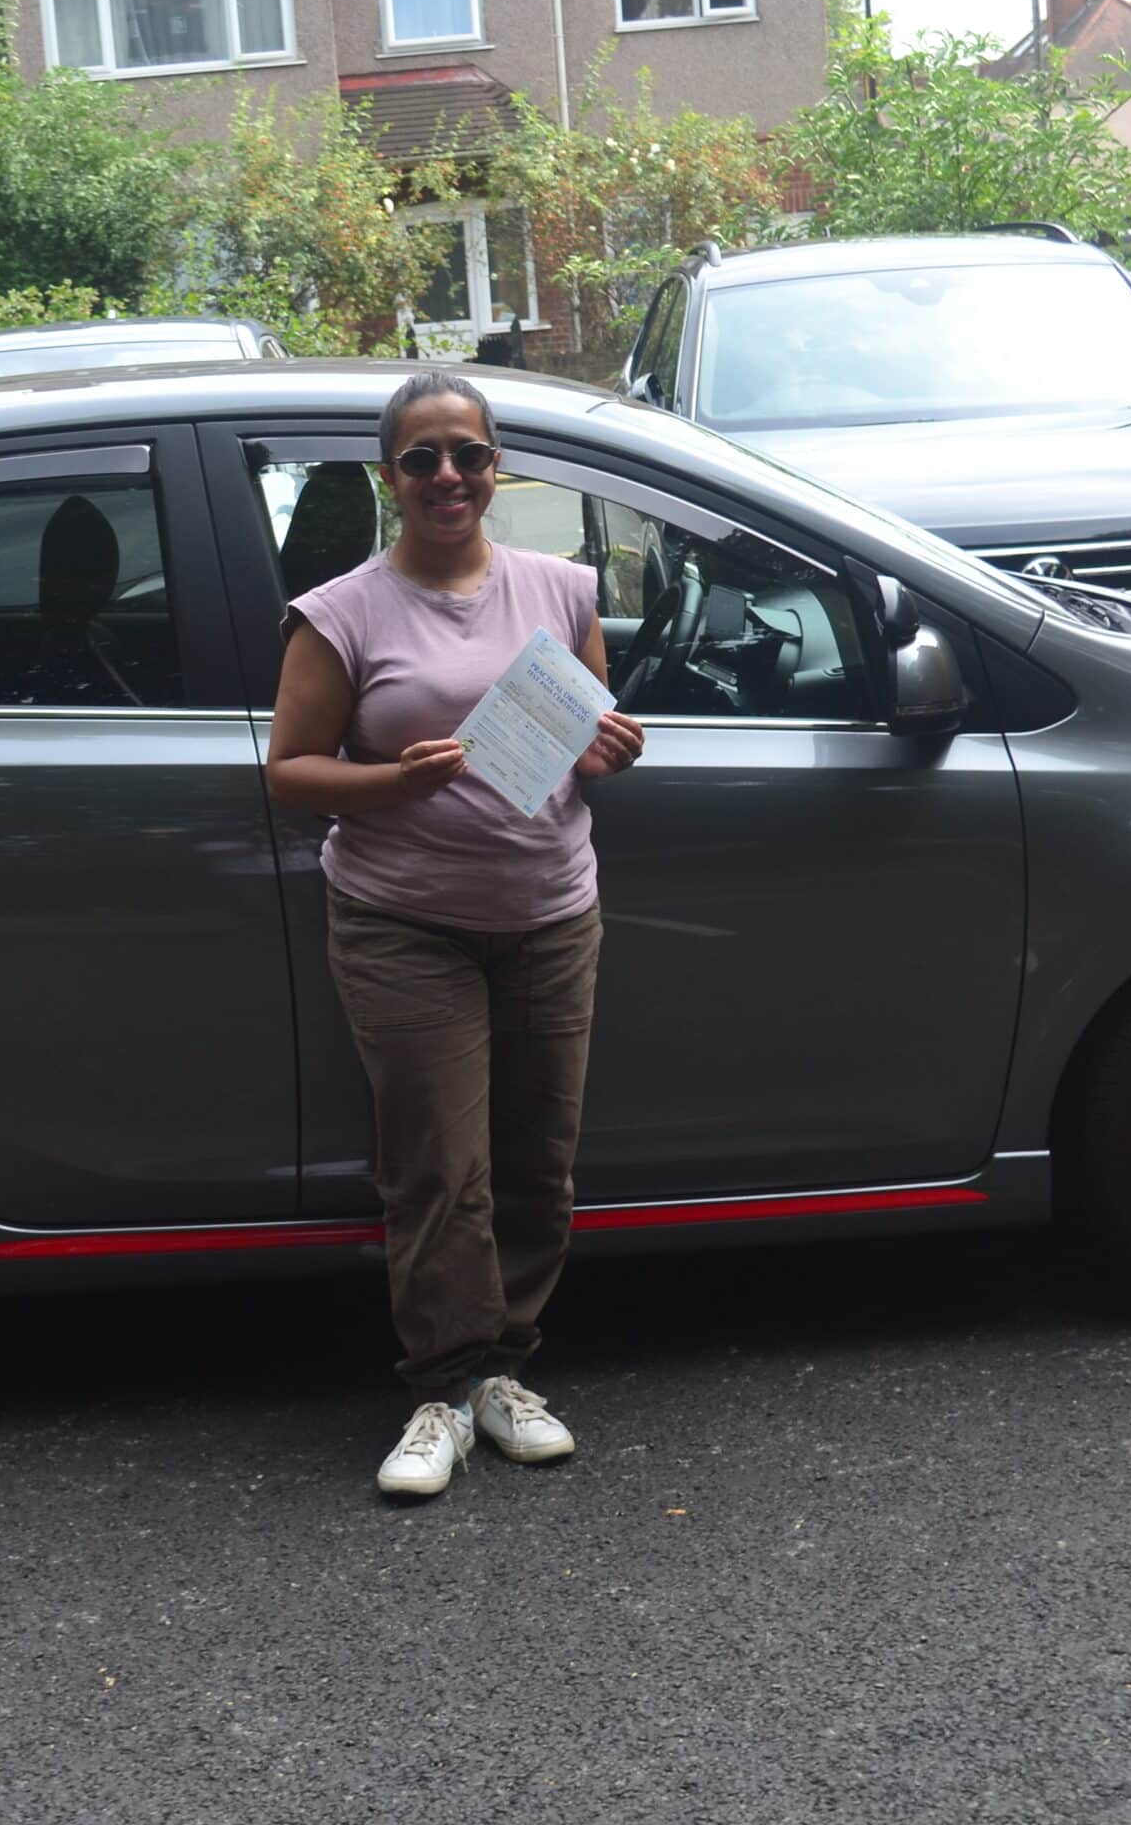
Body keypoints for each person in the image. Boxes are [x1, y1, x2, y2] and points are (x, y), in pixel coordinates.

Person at [265, 371, 646, 1499]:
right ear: (389, 477)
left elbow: (584, 730)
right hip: (403, 924)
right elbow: (290, 773)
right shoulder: (342, 612)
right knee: (440, 1168)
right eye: (422, 457)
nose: (448, 477)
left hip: (549, 912)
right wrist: (390, 781)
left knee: (538, 1163)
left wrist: (602, 753)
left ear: (496, 468)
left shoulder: (560, 589)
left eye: (467, 455)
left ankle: (504, 1376)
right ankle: (440, 1385)